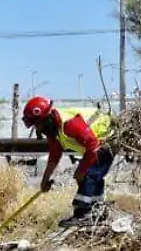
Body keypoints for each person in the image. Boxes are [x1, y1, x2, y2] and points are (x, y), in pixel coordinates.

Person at [22, 96, 114, 224]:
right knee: (92, 176)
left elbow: (93, 146)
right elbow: (54, 155)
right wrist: (45, 180)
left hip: (107, 141)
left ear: (46, 118)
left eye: (37, 124)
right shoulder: (53, 131)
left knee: (88, 174)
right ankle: (98, 212)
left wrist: (81, 171)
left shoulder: (69, 124)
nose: (37, 129)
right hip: (96, 146)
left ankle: (83, 214)